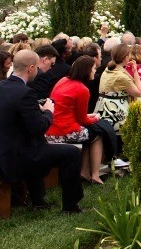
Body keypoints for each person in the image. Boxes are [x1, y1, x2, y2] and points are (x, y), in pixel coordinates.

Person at [0, 49, 83, 213]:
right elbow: (39, 127)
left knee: (38, 146)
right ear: (31, 68)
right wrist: (49, 111)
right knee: (72, 153)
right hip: (13, 157)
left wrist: (36, 109)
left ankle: (38, 201)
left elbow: (13, 116)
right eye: (37, 68)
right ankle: (71, 206)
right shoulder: (25, 92)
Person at [46, 56, 104, 185]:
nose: (95, 71)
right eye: (94, 69)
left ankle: (84, 171)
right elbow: (82, 120)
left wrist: (89, 116)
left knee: (87, 134)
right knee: (97, 135)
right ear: (87, 70)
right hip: (64, 131)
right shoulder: (82, 89)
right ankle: (95, 174)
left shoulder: (63, 80)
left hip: (51, 127)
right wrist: (95, 117)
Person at [97, 45, 141, 130]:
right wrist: (135, 71)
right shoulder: (120, 76)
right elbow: (139, 93)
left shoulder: (108, 69)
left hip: (103, 111)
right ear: (126, 58)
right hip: (116, 115)